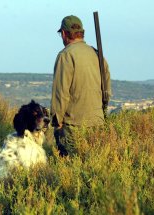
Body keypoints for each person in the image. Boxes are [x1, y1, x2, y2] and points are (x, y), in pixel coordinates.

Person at [51, 15, 111, 156]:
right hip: (98, 122)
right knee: (94, 167)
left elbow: (61, 93)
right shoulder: (97, 54)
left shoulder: (66, 55)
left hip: (74, 125)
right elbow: (107, 87)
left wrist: (57, 122)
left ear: (64, 33)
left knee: (70, 167)